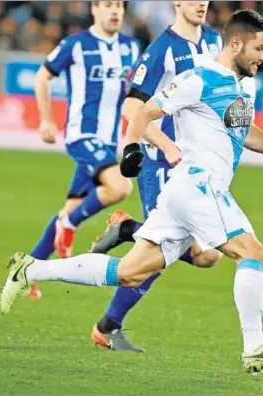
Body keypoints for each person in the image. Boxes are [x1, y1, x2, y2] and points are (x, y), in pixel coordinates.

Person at [0, 10, 263, 374]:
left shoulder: (245, 83)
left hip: (185, 194)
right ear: (236, 44)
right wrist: (134, 148)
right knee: (253, 253)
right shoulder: (198, 79)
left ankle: (30, 270)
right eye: (259, 48)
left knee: (130, 272)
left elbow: (244, 131)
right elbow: (140, 112)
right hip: (199, 185)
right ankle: (255, 346)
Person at [90, 1, 225, 351]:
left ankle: (129, 229)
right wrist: (166, 146)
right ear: (176, 3)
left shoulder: (215, 42)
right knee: (161, 251)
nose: (200, 4)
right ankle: (107, 327)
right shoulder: (162, 50)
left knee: (209, 255)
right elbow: (132, 108)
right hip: (161, 159)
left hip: (196, 161)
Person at [28, 1, 140, 298]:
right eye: (107, 5)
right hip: (82, 135)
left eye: (119, 5)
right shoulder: (76, 45)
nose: (114, 10)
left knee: (72, 206)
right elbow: (43, 76)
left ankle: (26, 272)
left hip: (108, 141)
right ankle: (70, 224)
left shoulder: (130, 47)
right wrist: (46, 120)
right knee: (119, 187)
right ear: (94, 9)